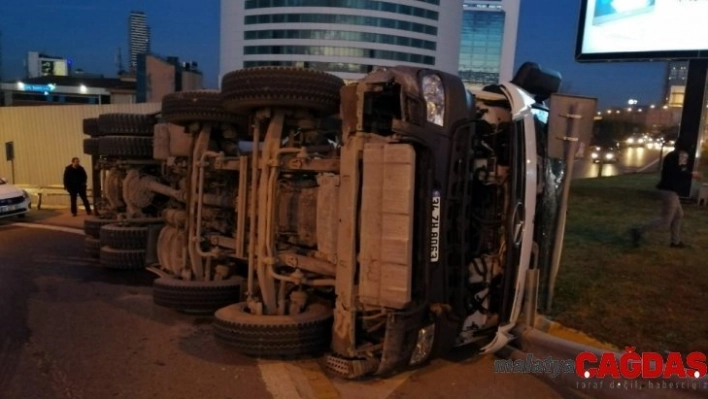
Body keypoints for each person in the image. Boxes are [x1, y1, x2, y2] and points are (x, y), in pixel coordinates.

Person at [630, 147, 701, 248]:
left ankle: (675, 242)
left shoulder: (673, 155)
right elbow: (677, 172)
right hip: (669, 190)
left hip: (670, 189)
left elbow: (675, 171)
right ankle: (638, 231)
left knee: (678, 215)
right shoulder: (680, 155)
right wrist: (691, 174)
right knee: (666, 219)